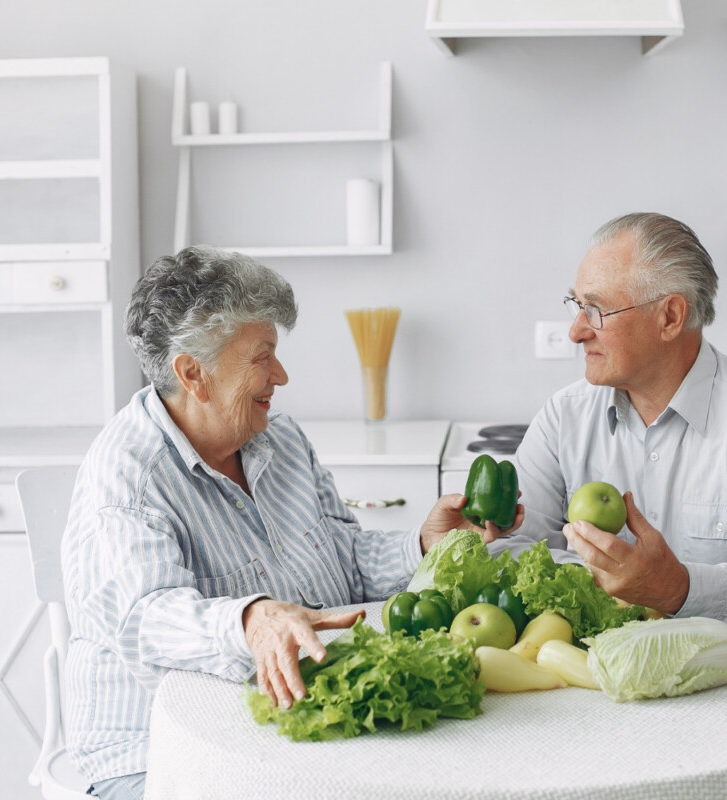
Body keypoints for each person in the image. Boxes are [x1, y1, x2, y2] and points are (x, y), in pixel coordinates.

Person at [61, 245, 519, 800]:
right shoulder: (128, 477)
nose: (281, 374)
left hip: (284, 736)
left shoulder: (281, 440)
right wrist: (250, 619)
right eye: (262, 356)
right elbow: (145, 620)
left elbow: (341, 557)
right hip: (157, 758)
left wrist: (423, 546)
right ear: (193, 373)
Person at [497, 212, 727, 653]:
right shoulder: (563, 417)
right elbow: (515, 551)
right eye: (576, 304)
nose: (576, 331)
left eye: (596, 310)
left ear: (671, 317)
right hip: (616, 664)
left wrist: (676, 588)